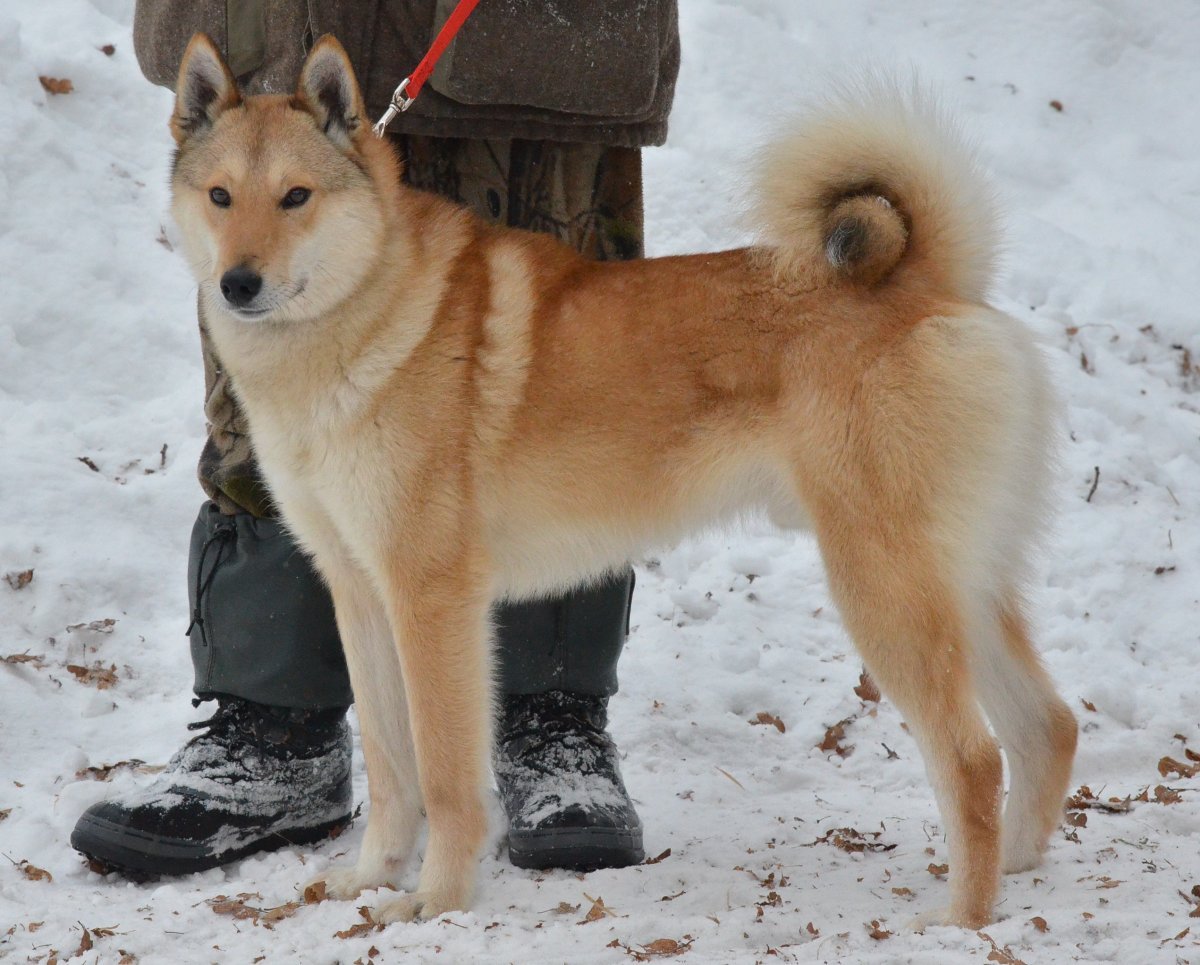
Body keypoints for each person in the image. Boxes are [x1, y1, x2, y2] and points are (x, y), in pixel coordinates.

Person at [71, 0, 680, 878]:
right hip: (268, 22)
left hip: (532, 47)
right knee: (280, 431)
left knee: (561, 364)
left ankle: (550, 710)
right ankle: (271, 716)